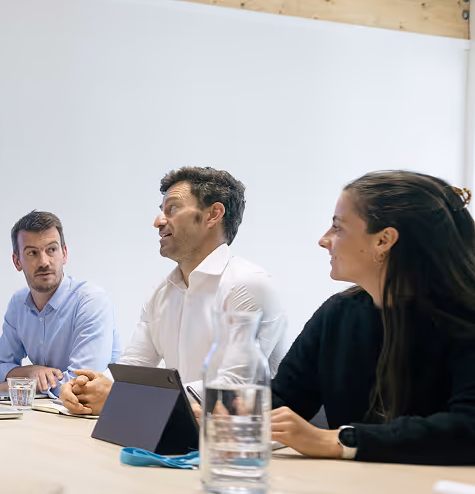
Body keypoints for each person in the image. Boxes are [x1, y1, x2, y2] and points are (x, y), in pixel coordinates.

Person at [268, 171, 475, 464]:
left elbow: (467, 428)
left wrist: (340, 440)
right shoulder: (337, 314)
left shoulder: (466, 319)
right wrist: (221, 413)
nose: (323, 240)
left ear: (384, 240)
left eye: (337, 228)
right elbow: (284, 401)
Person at [62, 166, 287, 414]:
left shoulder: (249, 284)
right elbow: (134, 364)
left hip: (245, 444)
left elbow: (232, 388)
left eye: (173, 208)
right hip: (183, 434)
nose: (158, 221)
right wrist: (87, 387)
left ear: (213, 214)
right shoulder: (160, 292)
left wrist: (122, 397)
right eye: (161, 211)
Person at [0, 210, 120, 396]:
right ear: (17, 261)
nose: (44, 262)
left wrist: (16, 385)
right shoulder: (18, 303)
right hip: (47, 413)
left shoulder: (91, 302)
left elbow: (81, 385)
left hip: (92, 416)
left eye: (51, 250)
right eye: (32, 253)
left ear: (64, 254)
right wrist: (30, 371)